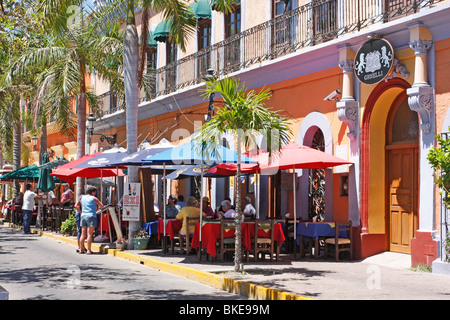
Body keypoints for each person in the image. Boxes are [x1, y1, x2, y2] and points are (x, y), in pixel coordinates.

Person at [74, 186, 104, 254]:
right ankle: (89, 250)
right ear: (93, 192)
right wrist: (98, 209)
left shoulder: (82, 198)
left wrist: (81, 212)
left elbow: (76, 205)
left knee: (83, 234)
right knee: (89, 234)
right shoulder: (94, 198)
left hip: (83, 216)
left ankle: (81, 249)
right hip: (91, 216)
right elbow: (102, 206)